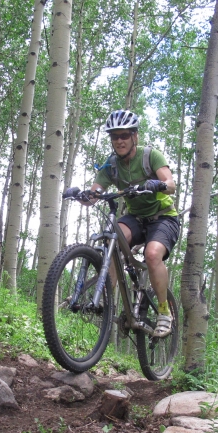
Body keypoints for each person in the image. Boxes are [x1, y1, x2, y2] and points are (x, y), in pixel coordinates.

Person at [78, 109, 178, 338]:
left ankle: (164, 312)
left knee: (153, 255)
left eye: (124, 135)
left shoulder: (150, 156)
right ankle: (106, 301)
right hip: (136, 218)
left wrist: (158, 184)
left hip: (163, 217)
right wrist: (85, 196)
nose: (119, 140)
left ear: (135, 137)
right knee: (113, 239)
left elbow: (170, 183)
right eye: (115, 136)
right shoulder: (111, 165)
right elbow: (96, 192)